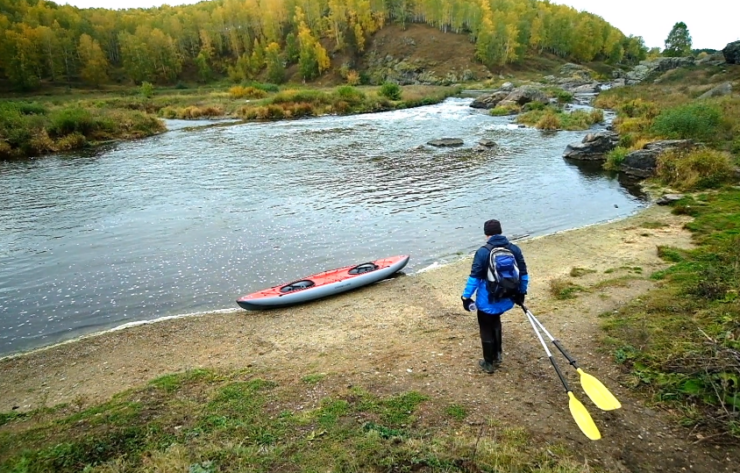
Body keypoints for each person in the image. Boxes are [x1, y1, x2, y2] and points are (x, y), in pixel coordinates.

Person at [461, 219, 529, 373]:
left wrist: (466, 297)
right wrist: (521, 293)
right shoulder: (514, 249)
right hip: (507, 297)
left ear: (486, 234)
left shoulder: (483, 252)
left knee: (486, 326)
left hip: (488, 299)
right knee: (496, 320)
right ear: (501, 231)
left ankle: (489, 363)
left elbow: (474, 278)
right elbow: (524, 274)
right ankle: (498, 355)